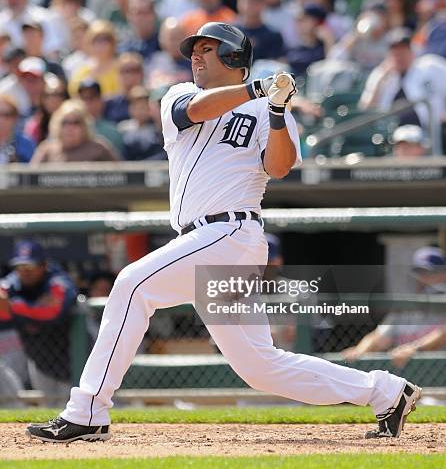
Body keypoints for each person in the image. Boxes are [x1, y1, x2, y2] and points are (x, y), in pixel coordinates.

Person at [27, 22, 420, 443]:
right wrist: (258, 92)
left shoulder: (270, 109)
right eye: (194, 50)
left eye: (207, 49)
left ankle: (87, 410)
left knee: (131, 285)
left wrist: (275, 110)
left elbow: (281, 166)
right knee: (259, 366)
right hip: (204, 240)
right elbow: (194, 112)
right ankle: (386, 391)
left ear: (235, 58)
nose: (195, 56)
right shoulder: (179, 94)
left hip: (231, 233)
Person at [0, 240, 78, 406]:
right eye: (20, 267)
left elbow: (54, 313)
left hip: (74, 355)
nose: (25, 272)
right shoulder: (13, 282)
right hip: (40, 358)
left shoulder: (58, 281)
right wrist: (33, 307)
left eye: (30, 266)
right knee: (50, 409)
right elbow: (2, 297)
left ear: (43, 265)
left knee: (77, 408)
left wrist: (14, 306)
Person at [342, 247, 446, 368]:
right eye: (420, 272)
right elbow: (379, 338)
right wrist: (359, 352)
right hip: (409, 376)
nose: (423, 278)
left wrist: (415, 349)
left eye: (431, 273)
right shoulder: (406, 308)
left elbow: (443, 334)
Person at [359, 27, 446, 153]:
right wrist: (380, 82)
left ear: (411, 50)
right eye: (395, 51)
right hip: (391, 137)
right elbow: (365, 110)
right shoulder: (381, 74)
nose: (399, 56)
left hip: (431, 131)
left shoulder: (430, 66)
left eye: (403, 50)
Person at [31, 99, 119, 164]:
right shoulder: (47, 150)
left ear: (85, 125)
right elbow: (30, 181)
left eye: (76, 122)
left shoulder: (99, 148)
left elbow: (122, 176)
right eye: (65, 122)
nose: (70, 128)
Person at [0, 94, 35, 163]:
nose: (1, 120)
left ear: (15, 117)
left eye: (7, 114)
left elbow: (31, 170)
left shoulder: (26, 143)